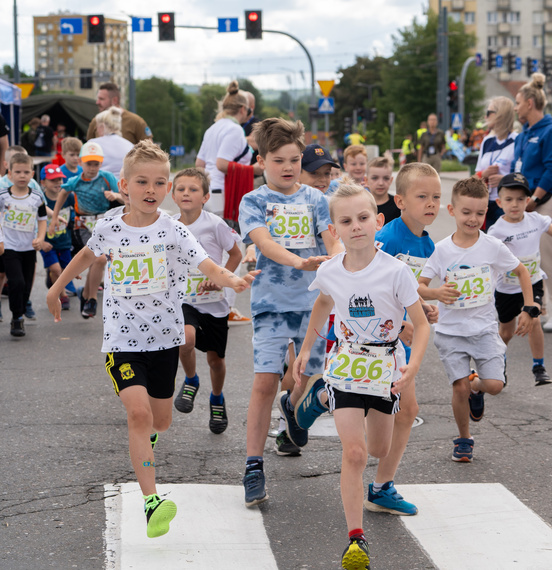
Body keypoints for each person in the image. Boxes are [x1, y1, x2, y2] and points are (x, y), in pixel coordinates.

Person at [46, 140, 255, 539]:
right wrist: (57, 288)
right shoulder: (108, 225)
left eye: (160, 182)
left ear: (167, 187)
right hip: (122, 341)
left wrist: (233, 280)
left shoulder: (174, 229)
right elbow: (86, 257)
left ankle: (150, 440)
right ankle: (151, 502)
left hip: (165, 339)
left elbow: (207, 263)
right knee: (138, 415)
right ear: (124, 185)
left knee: (161, 420)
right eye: (142, 181)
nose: (151, 189)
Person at [291, 180, 429, 570]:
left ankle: (319, 397)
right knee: (354, 453)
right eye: (346, 220)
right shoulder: (332, 270)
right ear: (334, 229)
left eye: (364, 218)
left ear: (378, 220)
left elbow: (420, 324)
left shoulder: (396, 272)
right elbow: (322, 303)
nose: (356, 226)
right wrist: (306, 350)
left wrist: (412, 364)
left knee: (379, 449)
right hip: (347, 365)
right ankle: (356, 539)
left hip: (385, 366)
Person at [237, 118, 342, 507]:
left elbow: (331, 241)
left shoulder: (316, 199)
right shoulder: (255, 202)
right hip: (271, 305)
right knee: (266, 381)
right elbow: (263, 242)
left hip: (314, 305)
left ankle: (292, 409)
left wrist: (335, 264)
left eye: (294, 160)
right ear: (262, 161)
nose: (288, 167)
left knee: (308, 382)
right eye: (279, 160)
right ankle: (253, 464)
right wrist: (298, 263)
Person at [419, 176, 535, 462]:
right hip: (450, 331)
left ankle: (476, 386)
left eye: (480, 213)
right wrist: (435, 293)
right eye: (466, 212)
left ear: (487, 212)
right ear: (452, 210)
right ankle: (463, 438)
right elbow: (418, 284)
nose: (473, 219)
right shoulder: (441, 249)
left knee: (495, 385)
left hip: (483, 329)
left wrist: (530, 306)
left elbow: (521, 271)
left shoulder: (492, 246)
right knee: (457, 386)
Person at [171, 168, 243, 434]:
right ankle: (190, 380)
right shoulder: (169, 225)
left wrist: (222, 277)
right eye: (181, 189)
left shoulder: (214, 223)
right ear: (173, 194)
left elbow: (234, 253)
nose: (186, 193)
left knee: (216, 360)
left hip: (214, 303)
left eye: (193, 189)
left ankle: (216, 398)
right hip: (184, 299)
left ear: (204, 196)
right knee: (185, 340)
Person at [488, 172, 552, 386]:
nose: (515, 204)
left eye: (520, 199)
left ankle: (539, 367)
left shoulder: (536, 220)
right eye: (509, 199)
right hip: (506, 289)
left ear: (528, 201)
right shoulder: (496, 231)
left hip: (534, 282)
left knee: (534, 320)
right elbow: (487, 260)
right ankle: (499, 362)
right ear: (499, 202)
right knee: (506, 332)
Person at [513, 73, 552, 333]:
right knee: (529, 257)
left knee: (547, 255)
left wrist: (535, 198)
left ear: (530, 103)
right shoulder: (524, 133)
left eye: (518, 102)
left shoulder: (551, 132)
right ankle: (541, 306)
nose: (515, 107)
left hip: (545, 199)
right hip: (526, 202)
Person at [50, 141, 121, 319]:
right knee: (97, 260)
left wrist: (116, 196)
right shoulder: (76, 181)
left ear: (101, 163)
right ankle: (91, 299)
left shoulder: (107, 178)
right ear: (81, 163)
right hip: (82, 225)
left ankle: (86, 297)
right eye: (88, 163)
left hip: (104, 223)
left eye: (96, 164)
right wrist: (54, 217)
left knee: (98, 262)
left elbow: (125, 198)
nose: (92, 168)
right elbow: (63, 193)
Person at [0, 153, 47, 336]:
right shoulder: (3, 196)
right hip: (10, 247)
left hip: (29, 247)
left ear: (32, 174)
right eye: (17, 172)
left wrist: (41, 238)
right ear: (9, 174)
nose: (22, 175)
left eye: (26, 172)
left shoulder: (36, 197)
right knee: (16, 282)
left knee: (26, 285)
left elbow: (42, 219)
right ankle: (16, 318)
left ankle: (20, 309)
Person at [196, 81, 253, 218]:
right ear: (243, 109)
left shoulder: (212, 128)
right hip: (225, 194)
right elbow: (221, 164)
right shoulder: (235, 130)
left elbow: (199, 165)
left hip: (210, 191)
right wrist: (253, 170)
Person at [475, 96, 518, 230]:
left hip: (506, 204)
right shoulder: (487, 141)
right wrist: (484, 174)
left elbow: (522, 175)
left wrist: (504, 179)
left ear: (500, 115)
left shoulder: (517, 140)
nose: (485, 116)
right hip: (485, 204)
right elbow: (477, 174)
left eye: (489, 113)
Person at [39, 164, 74, 311]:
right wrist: (41, 241)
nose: (58, 183)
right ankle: (62, 295)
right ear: (43, 183)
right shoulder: (41, 201)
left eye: (60, 179)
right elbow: (34, 222)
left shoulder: (68, 196)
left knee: (66, 270)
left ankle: (53, 277)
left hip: (64, 240)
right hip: (47, 242)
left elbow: (75, 213)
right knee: (57, 270)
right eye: (53, 180)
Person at [86, 82, 152, 144]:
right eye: (98, 99)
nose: (97, 102)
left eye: (101, 99)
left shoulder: (136, 121)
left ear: (115, 100)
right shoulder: (96, 121)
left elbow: (150, 150)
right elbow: (89, 148)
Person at [87, 107, 135, 177]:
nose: (97, 130)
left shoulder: (92, 144)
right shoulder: (130, 145)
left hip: (101, 185)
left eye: (97, 127)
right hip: (124, 185)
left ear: (102, 126)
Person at [366, 156, 398, 224]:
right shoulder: (361, 205)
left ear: (391, 180)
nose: (381, 183)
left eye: (386, 178)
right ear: (366, 180)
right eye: (375, 178)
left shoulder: (398, 205)